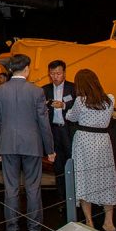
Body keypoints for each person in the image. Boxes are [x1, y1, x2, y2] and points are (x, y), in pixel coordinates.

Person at [0, 54, 55, 231]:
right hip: (32, 146)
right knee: (33, 187)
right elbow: (44, 123)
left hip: (8, 145)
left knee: (11, 188)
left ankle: (12, 229)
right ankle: (34, 230)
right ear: (26, 69)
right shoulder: (37, 92)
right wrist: (49, 149)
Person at [66, 69, 116, 231]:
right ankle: (108, 222)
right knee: (106, 178)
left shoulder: (81, 101)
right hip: (103, 141)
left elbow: (71, 117)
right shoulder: (110, 99)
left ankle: (89, 222)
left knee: (83, 179)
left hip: (84, 141)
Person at [42, 59, 75, 204]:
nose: (55, 76)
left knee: (72, 162)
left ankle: (75, 195)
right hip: (53, 131)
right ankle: (62, 198)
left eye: (58, 73)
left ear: (64, 73)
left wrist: (63, 105)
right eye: (52, 74)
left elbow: (77, 105)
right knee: (58, 166)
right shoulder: (44, 90)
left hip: (68, 131)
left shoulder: (73, 88)